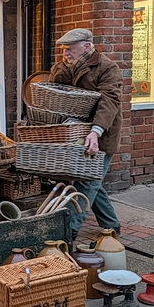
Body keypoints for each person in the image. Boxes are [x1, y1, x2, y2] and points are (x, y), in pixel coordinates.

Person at [50, 28, 122, 240]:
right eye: (64, 50)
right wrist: (63, 67)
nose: (67, 54)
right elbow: (56, 89)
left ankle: (69, 229)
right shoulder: (67, 66)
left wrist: (95, 132)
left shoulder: (108, 67)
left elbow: (110, 101)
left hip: (101, 132)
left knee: (87, 182)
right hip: (76, 131)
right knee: (92, 181)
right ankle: (111, 225)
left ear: (88, 46)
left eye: (71, 49)